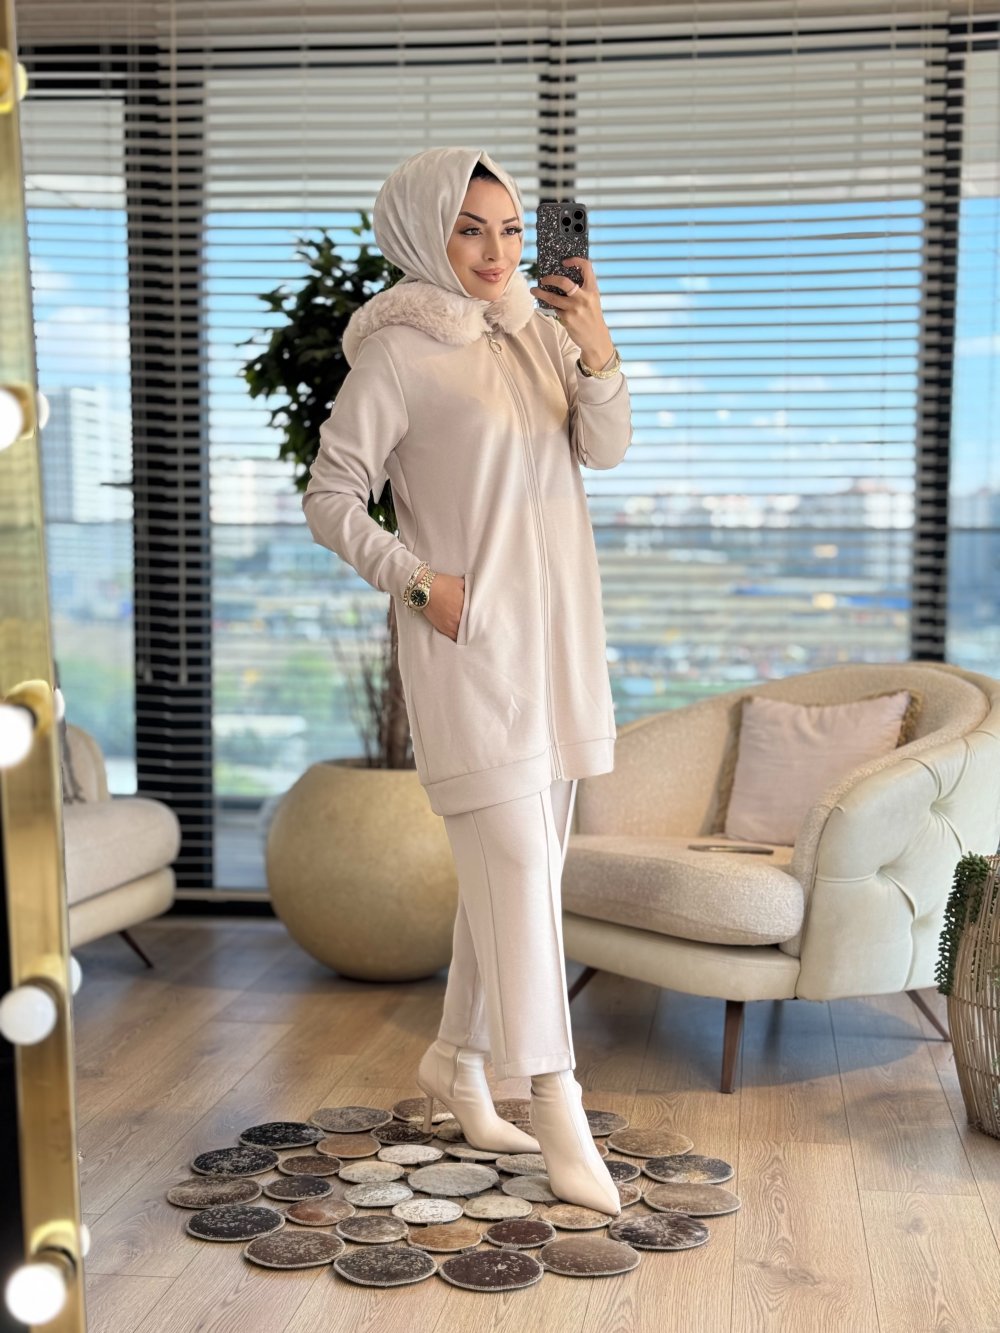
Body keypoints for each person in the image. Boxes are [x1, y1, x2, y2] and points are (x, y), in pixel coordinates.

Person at [302, 146, 631, 1216]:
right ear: (423, 232)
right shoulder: (396, 355)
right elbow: (330, 495)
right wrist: (418, 583)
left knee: (521, 871)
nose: (497, 252)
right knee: (518, 870)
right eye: (470, 228)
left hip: (559, 648)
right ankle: (557, 1102)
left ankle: (455, 1059)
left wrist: (594, 346)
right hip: (470, 651)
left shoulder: (538, 332)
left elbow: (607, 449)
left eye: (511, 229)